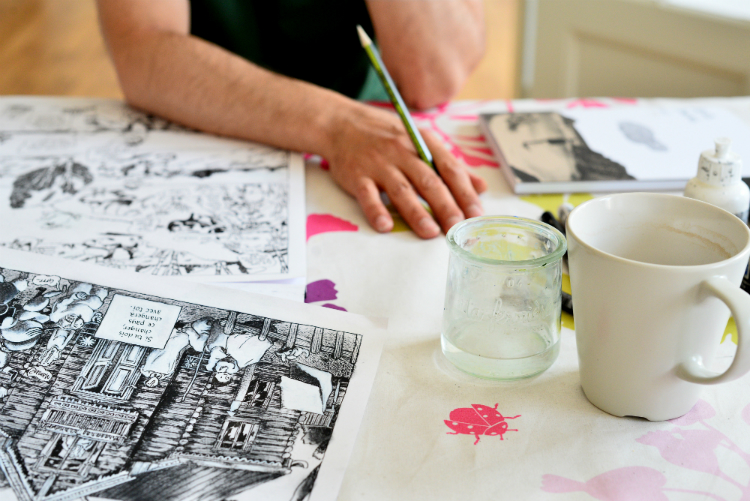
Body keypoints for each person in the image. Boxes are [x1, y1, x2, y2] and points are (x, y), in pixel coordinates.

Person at [96, 0, 488, 239]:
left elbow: (433, 75)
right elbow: (142, 51)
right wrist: (336, 125)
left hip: (374, 138)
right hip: (202, 126)